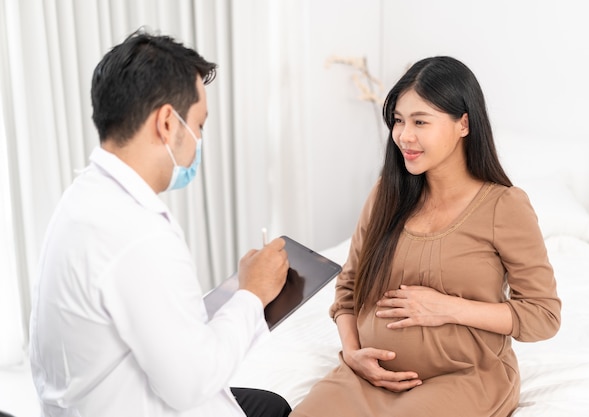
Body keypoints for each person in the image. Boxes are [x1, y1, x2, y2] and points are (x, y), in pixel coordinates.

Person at [29, 29, 292, 417]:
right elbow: (192, 384)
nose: (199, 139)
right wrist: (251, 294)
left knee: (270, 405)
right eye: (199, 126)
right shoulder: (138, 233)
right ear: (168, 122)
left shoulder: (84, 196)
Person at [290, 56, 561, 417]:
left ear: (463, 123)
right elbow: (349, 288)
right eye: (399, 121)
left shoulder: (504, 206)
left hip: (463, 378)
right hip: (368, 377)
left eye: (421, 121)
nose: (404, 135)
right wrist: (353, 353)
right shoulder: (386, 194)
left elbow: (543, 315)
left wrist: (446, 308)